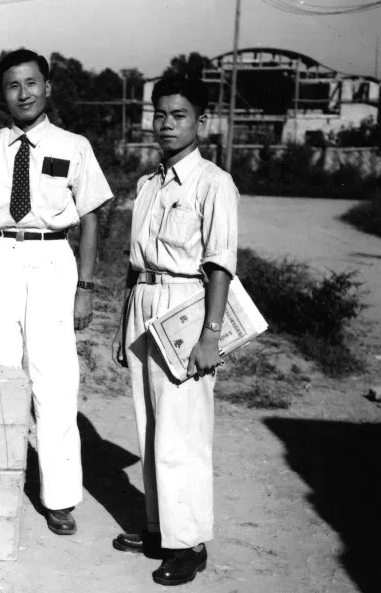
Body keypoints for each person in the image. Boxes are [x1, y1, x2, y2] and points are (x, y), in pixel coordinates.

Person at [0, 49, 113, 536]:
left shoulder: (75, 145)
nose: (22, 94)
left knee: (54, 378)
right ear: (1, 94)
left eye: (31, 83)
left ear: (47, 87)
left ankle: (60, 497)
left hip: (52, 260)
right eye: (11, 86)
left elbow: (90, 218)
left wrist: (84, 288)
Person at [110, 76, 238, 587]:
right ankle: (159, 527)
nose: (166, 124)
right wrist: (123, 325)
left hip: (187, 304)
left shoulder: (213, 183)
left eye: (179, 115)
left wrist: (212, 333)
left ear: (201, 122)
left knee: (182, 429)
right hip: (144, 302)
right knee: (150, 425)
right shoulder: (148, 184)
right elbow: (133, 265)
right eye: (160, 115)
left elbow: (221, 263)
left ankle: (189, 544)